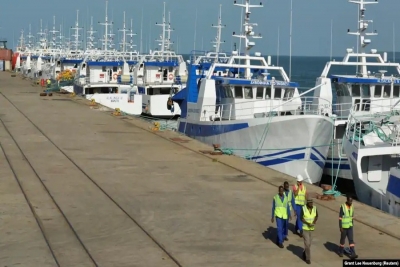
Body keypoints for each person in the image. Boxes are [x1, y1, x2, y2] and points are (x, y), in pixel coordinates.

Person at [301, 198, 318, 265]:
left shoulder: (314, 208)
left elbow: (316, 216)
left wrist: (314, 221)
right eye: (310, 203)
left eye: (312, 203)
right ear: (307, 203)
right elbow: (301, 218)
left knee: (309, 244)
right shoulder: (303, 208)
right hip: (305, 228)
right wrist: (307, 223)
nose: (311, 204)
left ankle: (304, 253)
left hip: (312, 228)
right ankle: (308, 258)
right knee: (307, 244)